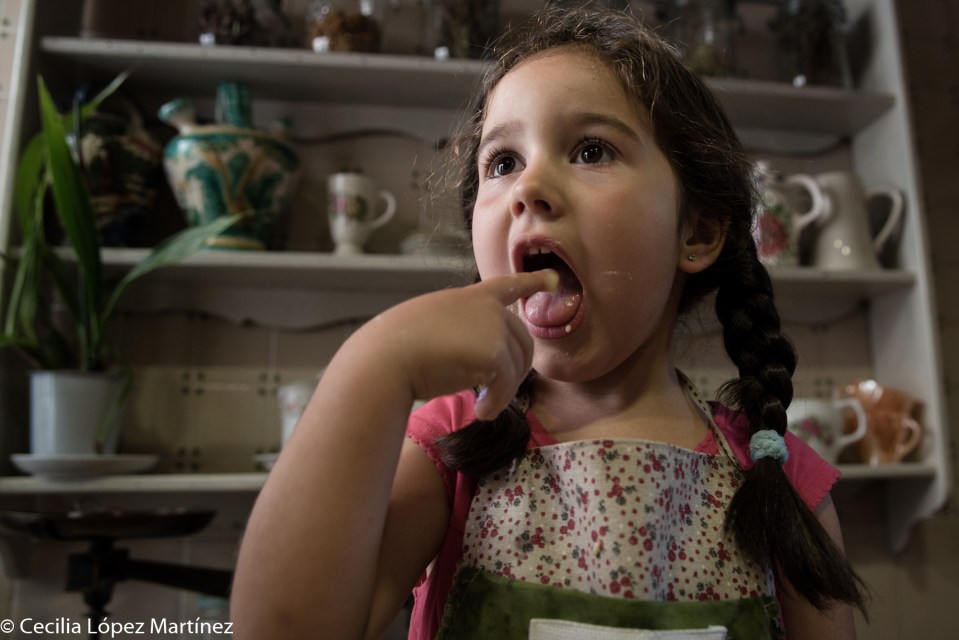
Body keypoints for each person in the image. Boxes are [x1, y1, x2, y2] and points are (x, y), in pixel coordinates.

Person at [231, 4, 867, 639]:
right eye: (502, 162)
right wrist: (371, 365)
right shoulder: (453, 443)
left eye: (591, 150)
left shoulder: (779, 479)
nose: (526, 187)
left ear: (695, 230)